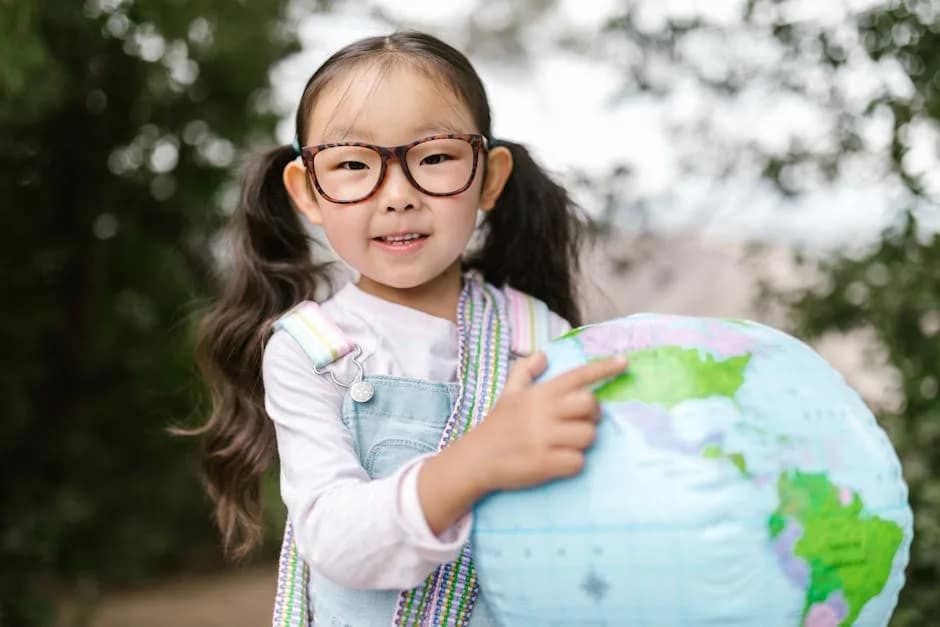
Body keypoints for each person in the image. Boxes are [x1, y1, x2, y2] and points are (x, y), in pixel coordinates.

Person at [191, 31, 628, 626]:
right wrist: (477, 462)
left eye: (436, 156)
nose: (397, 195)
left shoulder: (538, 333)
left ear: (490, 177)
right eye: (351, 163)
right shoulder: (311, 351)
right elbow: (335, 538)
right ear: (308, 192)